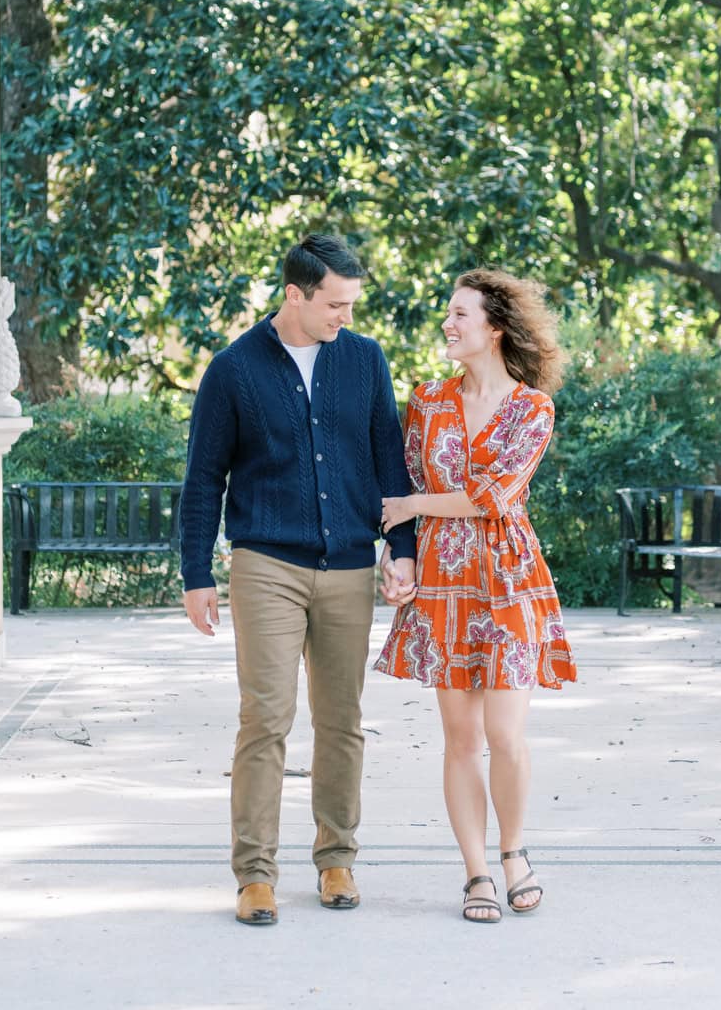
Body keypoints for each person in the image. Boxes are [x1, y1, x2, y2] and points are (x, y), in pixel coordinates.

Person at [179, 234, 420, 927]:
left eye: (351, 304)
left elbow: (389, 459)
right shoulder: (233, 369)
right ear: (295, 294)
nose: (345, 316)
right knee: (266, 717)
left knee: (342, 720)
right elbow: (204, 477)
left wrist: (402, 548)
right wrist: (196, 573)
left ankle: (337, 857)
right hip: (266, 566)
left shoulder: (366, 360)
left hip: (348, 565)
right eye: (334, 304)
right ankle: (255, 874)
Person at [374, 268, 576, 924]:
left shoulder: (532, 408)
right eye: (449, 312)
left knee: (504, 733)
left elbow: (494, 496)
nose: (448, 323)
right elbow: (402, 483)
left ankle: (514, 851)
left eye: (460, 313)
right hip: (442, 580)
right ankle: (477, 871)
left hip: (509, 579)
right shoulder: (427, 402)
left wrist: (414, 505)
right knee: (461, 738)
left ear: (494, 328)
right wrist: (396, 555)